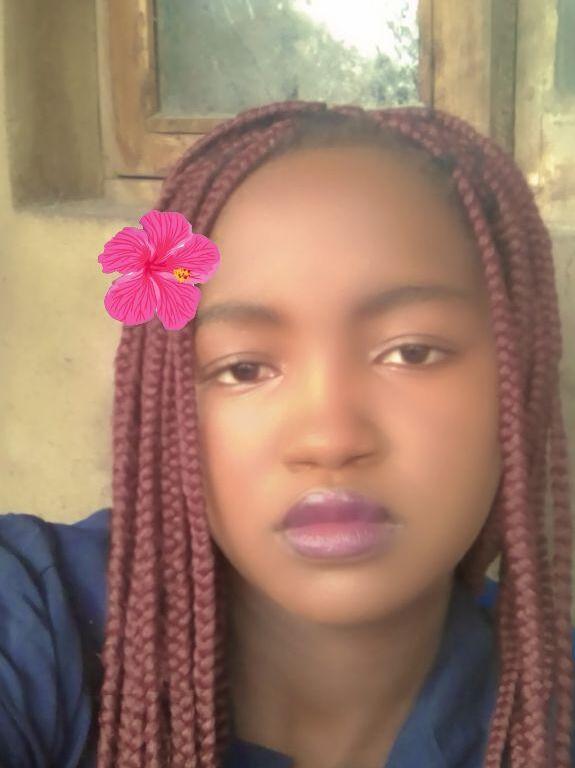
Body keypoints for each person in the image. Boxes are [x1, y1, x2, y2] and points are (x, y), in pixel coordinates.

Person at [0, 101, 573, 768]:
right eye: (243, 369)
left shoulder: (549, 709)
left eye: (411, 352)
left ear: (519, 381)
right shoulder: (34, 614)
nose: (329, 440)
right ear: (163, 407)